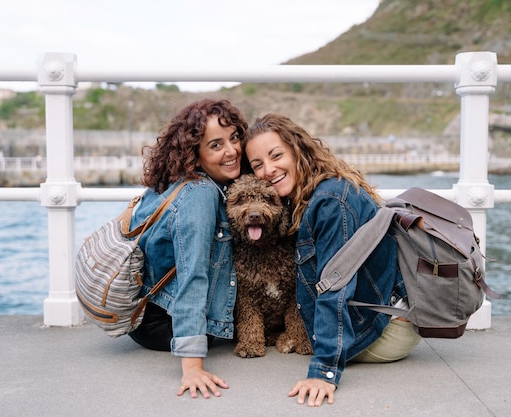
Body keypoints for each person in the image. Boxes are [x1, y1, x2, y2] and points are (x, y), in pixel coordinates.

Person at [243, 113, 421, 407]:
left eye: (276, 156)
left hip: (381, 332)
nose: (268, 170)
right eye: (257, 164)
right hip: (377, 319)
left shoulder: (330, 202)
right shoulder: (316, 190)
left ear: (297, 150)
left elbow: (334, 285)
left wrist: (324, 371)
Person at [127, 99, 247, 399]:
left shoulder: (176, 181)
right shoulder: (201, 195)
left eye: (234, 138)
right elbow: (193, 274)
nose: (231, 150)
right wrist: (193, 365)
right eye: (216, 145)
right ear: (196, 153)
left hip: (148, 311)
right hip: (162, 322)